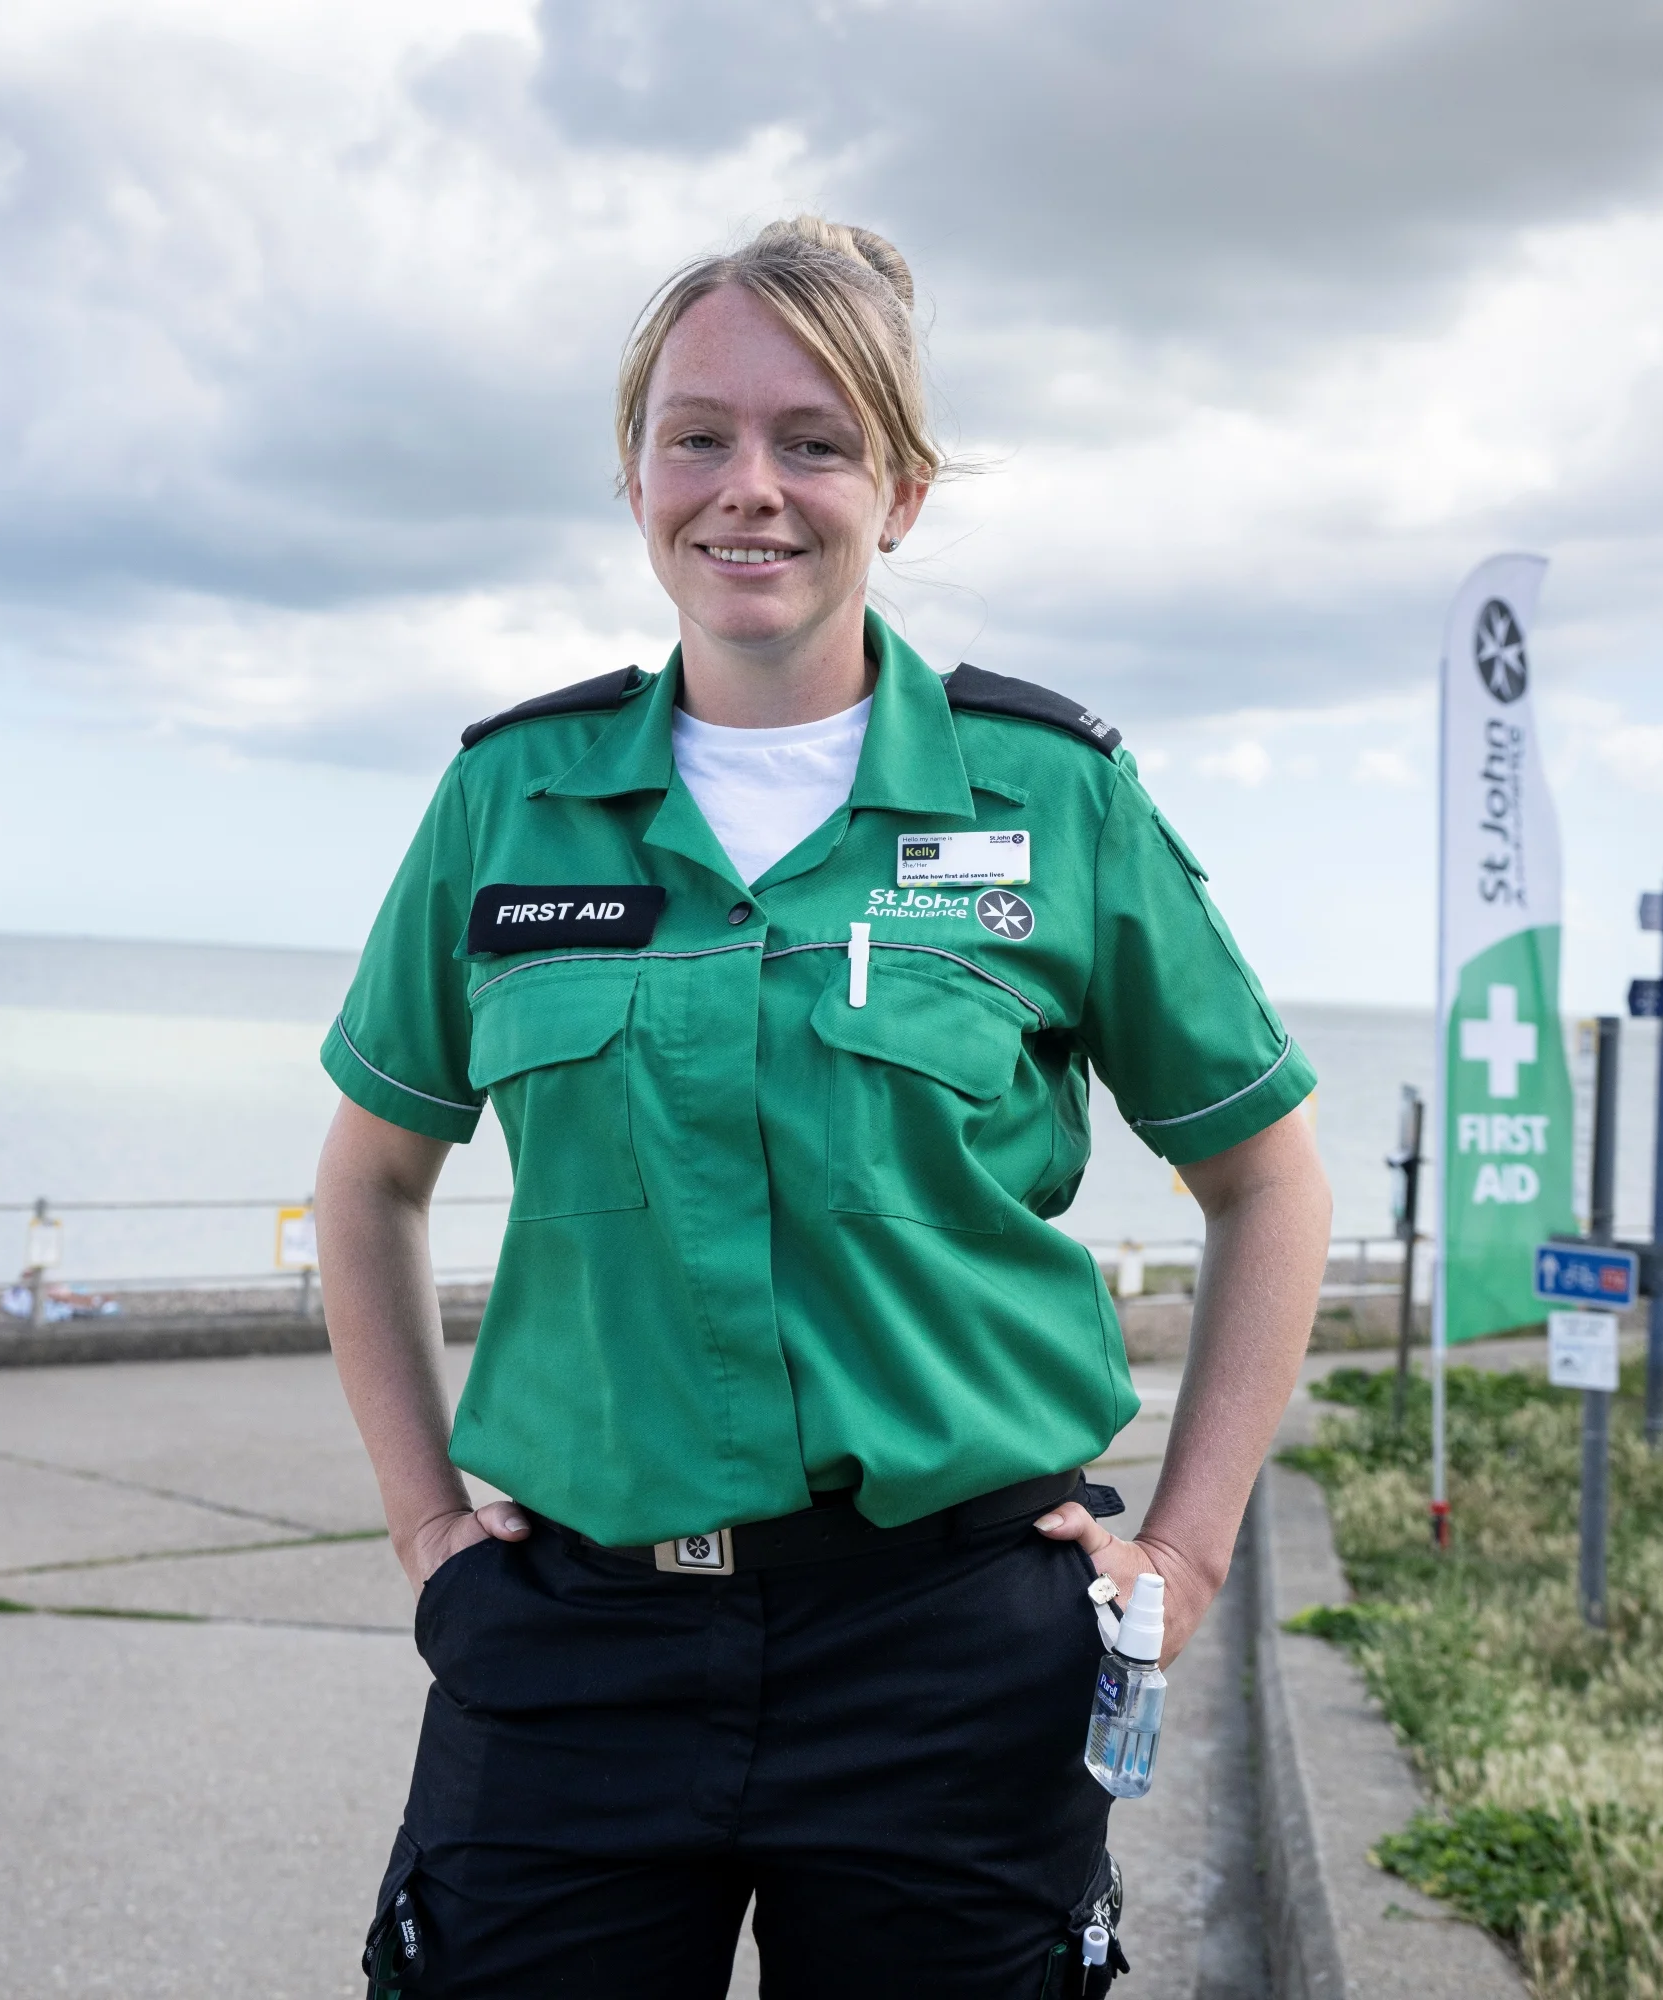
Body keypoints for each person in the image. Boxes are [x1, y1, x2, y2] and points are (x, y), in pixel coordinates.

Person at [316, 215, 1333, 1999]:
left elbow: (1268, 1178)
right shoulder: (509, 800)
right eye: (697, 434)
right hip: (578, 1649)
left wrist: (1183, 1547)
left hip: (950, 1655)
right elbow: (372, 1177)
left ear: (905, 488)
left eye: (816, 440)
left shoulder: (1052, 801)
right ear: (636, 473)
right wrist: (427, 1541)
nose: (750, 491)